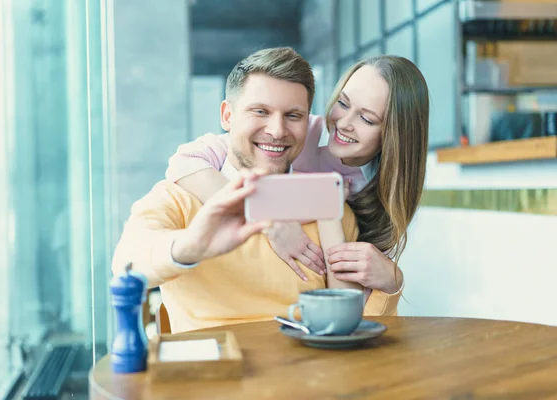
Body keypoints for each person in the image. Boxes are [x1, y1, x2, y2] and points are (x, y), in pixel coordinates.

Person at [112, 48, 401, 334]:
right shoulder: (178, 196)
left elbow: (350, 328)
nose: (277, 130)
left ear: (308, 122)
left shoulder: (332, 205)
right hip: (216, 372)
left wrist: (391, 280)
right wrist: (192, 245)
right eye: (260, 111)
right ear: (227, 115)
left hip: (307, 374)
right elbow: (126, 265)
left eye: (293, 115)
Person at [166, 55, 430, 297]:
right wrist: (270, 217)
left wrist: (393, 279)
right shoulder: (301, 133)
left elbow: (353, 299)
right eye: (342, 103)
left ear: (394, 135)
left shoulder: (383, 194)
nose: (344, 122)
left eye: (367, 119)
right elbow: (184, 161)